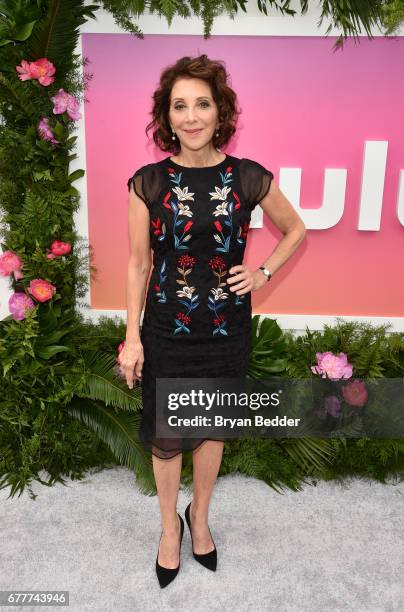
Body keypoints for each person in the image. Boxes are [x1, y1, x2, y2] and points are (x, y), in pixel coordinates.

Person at [119, 54, 306, 588]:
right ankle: (168, 529)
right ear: (167, 116)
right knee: (167, 433)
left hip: (226, 330)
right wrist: (131, 337)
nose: (192, 115)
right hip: (165, 331)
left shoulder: (247, 176)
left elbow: (295, 229)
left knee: (211, 431)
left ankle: (199, 519)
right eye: (180, 105)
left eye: (202, 103)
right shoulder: (148, 183)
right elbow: (138, 264)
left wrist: (263, 272)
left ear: (220, 111)